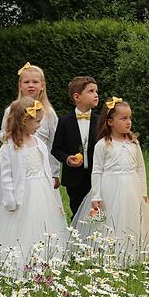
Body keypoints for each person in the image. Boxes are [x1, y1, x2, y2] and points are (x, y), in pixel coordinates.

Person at [71, 97, 149, 266]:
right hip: (110, 188)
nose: (128, 122)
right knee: (110, 221)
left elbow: (140, 168)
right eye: (123, 118)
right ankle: (110, 253)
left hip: (132, 188)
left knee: (131, 219)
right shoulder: (103, 144)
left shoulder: (134, 142)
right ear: (110, 121)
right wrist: (96, 195)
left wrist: (144, 192)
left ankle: (133, 254)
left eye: (129, 118)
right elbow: (97, 171)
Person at [0, 97, 69, 276]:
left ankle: (43, 261)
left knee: (41, 223)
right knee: (22, 226)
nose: (39, 126)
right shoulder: (8, 148)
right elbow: (7, 176)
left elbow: (45, 167)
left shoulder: (39, 143)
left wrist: (50, 190)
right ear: (24, 121)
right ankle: (20, 262)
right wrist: (10, 199)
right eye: (37, 122)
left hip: (40, 191)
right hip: (23, 193)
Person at [0, 62, 60, 188]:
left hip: (41, 168)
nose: (31, 85)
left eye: (35, 82)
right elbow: (3, 135)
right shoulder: (11, 110)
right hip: (17, 167)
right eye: (26, 82)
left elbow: (53, 144)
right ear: (20, 86)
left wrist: (54, 173)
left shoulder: (49, 114)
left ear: (42, 86)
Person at [52, 76, 101, 216]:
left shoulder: (100, 121)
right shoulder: (64, 121)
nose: (96, 95)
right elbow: (56, 149)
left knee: (97, 212)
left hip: (96, 176)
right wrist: (68, 159)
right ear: (77, 96)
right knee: (77, 212)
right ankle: (77, 236)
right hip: (74, 178)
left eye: (96, 91)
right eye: (91, 91)